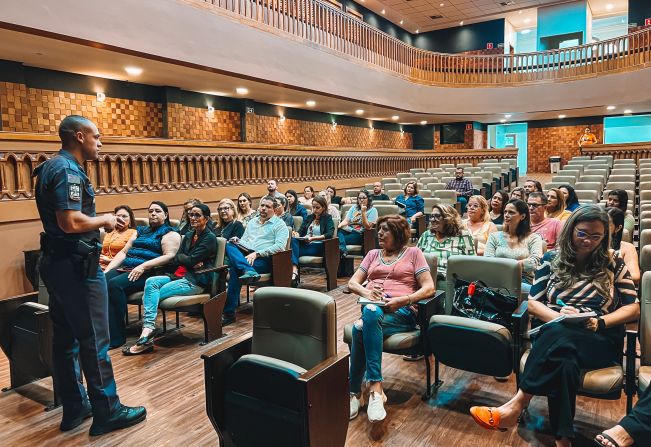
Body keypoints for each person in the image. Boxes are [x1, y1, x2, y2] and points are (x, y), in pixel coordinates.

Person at [470, 206, 639, 447]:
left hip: (597, 337)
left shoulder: (613, 263)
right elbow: (534, 303)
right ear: (571, 231)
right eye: (582, 233)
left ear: (605, 237)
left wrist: (597, 321)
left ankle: (517, 404)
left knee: (561, 339)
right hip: (556, 332)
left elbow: (633, 308)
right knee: (564, 360)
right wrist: (561, 318)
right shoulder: (552, 259)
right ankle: (563, 438)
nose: (588, 240)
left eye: (596, 236)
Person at [34, 115, 146, 436]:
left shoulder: (49, 167)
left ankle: (75, 406)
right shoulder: (67, 170)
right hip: (75, 267)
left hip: (57, 263)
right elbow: (70, 222)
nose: (101, 143)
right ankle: (107, 411)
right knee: (94, 339)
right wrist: (105, 220)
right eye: (97, 137)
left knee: (65, 339)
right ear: (80, 137)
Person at [348, 215, 435, 423]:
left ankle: (356, 391)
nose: (379, 233)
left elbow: (429, 288)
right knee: (369, 312)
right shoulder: (372, 254)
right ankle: (375, 390)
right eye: (379, 229)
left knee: (359, 328)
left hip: (401, 311)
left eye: (385, 230)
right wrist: (367, 292)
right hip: (374, 308)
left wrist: (404, 300)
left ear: (398, 233)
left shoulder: (414, 253)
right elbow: (352, 283)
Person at [122, 203, 217, 355]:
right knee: (151, 282)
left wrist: (187, 259)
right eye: (191, 215)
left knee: (155, 292)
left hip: (195, 280)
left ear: (206, 219)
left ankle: (146, 335)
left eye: (197, 215)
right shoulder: (189, 235)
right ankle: (149, 328)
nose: (192, 218)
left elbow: (189, 260)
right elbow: (177, 258)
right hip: (178, 275)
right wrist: (188, 259)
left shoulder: (210, 238)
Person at [103, 202, 181, 349]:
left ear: (166, 214)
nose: (153, 214)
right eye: (150, 211)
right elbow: (123, 253)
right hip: (127, 268)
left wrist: (143, 266)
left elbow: (169, 256)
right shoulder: (141, 230)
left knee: (114, 285)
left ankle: (117, 337)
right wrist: (107, 271)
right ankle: (103, 333)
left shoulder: (170, 233)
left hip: (149, 272)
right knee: (102, 282)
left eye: (157, 211)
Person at [222, 196, 290, 326]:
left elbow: (280, 246)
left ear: (274, 209)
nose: (263, 208)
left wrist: (257, 254)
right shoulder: (252, 222)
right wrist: (238, 241)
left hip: (265, 260)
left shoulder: (280, 225)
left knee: (235, 271)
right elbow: (246, 242)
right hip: (247, 256)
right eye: (262, 205)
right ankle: (247, 270)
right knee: (229, 244)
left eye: (268, 206)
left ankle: (229, 313)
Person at [484, 199, 543, 294]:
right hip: (498, 279)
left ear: (522, 216)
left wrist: (502, 265)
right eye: (505, 212)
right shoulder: (494, 236)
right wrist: (519, 264)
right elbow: (488, 262)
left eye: (511, 212)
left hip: (523, 280)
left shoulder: (534, 238)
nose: (506, 215)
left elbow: (534, 263)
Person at [417, 204, 475, 290]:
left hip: (451, 282)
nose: (432, 220)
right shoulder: (426, 235)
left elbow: (472, 264)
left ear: (449, 219)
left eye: (437, 216)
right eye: (431, 216)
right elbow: (415, 259)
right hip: (425, 280)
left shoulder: (463, 236)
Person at [290, 195, 335, 287]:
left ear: (323, 207)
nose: (315, 210)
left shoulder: (327, 218)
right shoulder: (309, 217)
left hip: (318, 246)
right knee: (293, 240)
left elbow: (329, 234)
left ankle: (293, 274)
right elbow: (301, 230)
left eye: (317, 207)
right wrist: (297, 234)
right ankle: (294, 270)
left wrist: (313, 238)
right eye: (313, 207)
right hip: (306, 243)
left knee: (291, 253)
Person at [338, 190, 378, 257]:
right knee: (338, 232)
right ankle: (343, 249)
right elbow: (346, 220)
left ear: (368, 199)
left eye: (364, 198)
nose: (361, 200)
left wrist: (363, 212)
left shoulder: (373, 210)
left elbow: (368, 227)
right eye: (359, 198)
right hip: (350, 230)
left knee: (337, 240)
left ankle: (342, 249)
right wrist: (339, 225)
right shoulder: (354, 207)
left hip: (360, 234)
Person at [607, 207, 640, 284]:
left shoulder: (627, 247)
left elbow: (635, 277)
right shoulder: (589, 245)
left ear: (618, 228)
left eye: (607, 224)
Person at [100, 205, 137, 270]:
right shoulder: (110, 231)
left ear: (130, 219)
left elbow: (132, 258)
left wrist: (109, 260)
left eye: (124, 216)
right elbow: (103, 252)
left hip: (118, 268)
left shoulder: (134, 234)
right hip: (100, 266)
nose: (120, 219)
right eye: (118, 216)